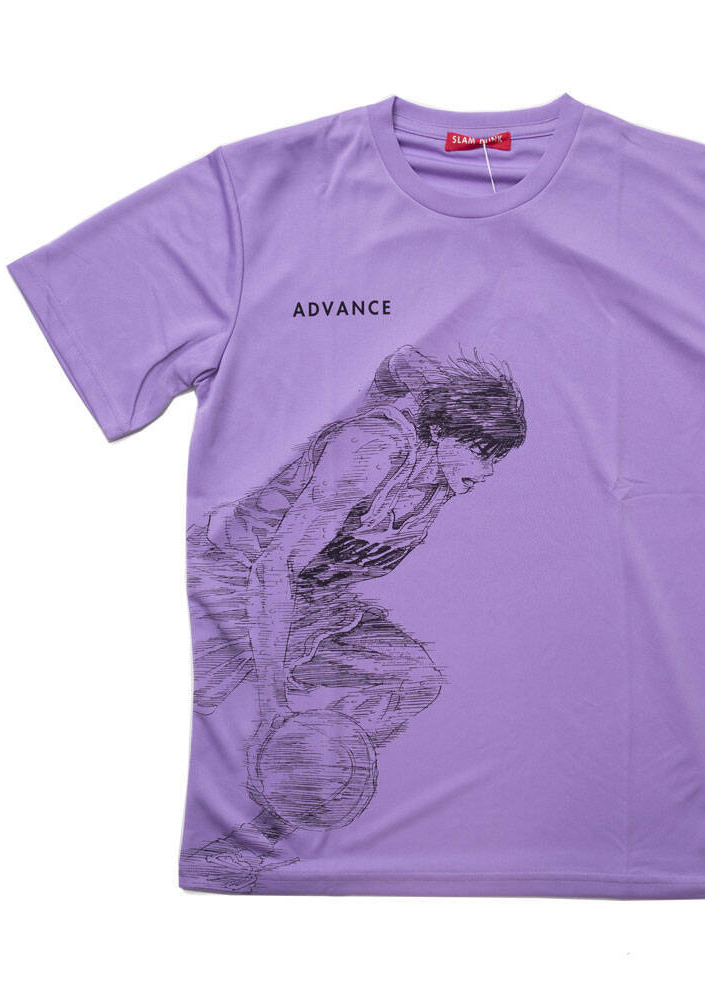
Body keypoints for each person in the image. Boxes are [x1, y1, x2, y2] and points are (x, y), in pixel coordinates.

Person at [182, 345, 526, 890]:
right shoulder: (374, 448)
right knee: (196, 702)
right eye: (481, 452)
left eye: (495, 458)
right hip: (236, 577)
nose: (486, 471)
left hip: (315, 602)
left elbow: (400, 362)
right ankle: (259, 778)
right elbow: (275, 567)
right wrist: (274, 703)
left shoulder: (441, 473)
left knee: (413, 681)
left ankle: (262, 833)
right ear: (445, 431)